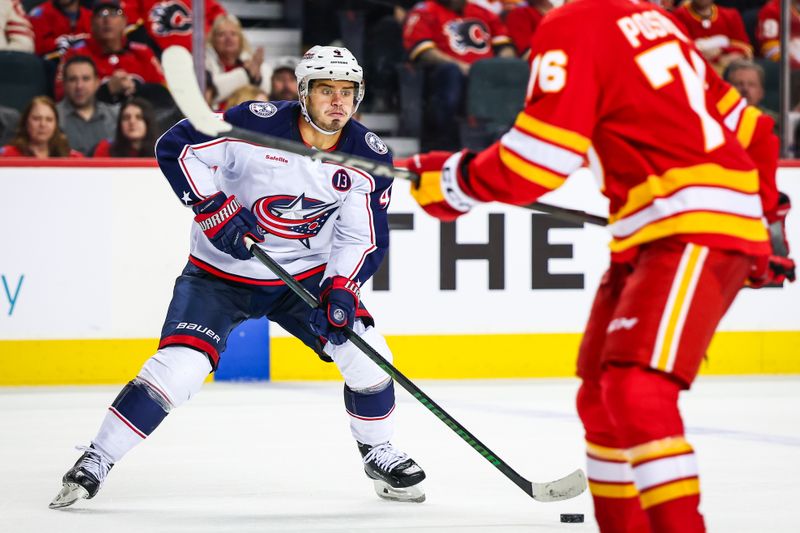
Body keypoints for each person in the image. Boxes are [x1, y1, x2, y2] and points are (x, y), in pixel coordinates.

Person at [401, 1, 794, 531]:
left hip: (689, 228)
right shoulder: (655, 19)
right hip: (657, 235)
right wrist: (770, 226)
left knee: (637, 392)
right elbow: (754, 131)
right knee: (601, 399)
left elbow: (538, 158)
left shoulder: (573, 23)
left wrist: (454, 180)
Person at [49, 45, 426, 510]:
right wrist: (211, 208)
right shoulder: (253, 123)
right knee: (178, 370)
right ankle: (97, 458)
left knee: (370, 355)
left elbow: (360, 237)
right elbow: (177, 147)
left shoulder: (367, 157)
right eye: (326, 90)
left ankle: (378, 451)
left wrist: (342, 288)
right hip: (218, 276)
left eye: (347, 92)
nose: (338, 102)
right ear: (304, 92)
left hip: (303, 280)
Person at [402, 0, 515, 150]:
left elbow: (505, 46)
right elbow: (422, 50)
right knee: (451, 73)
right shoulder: (425, 10)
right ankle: (446, 142)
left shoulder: (482, 12)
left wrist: (495, 67)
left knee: (515, 70)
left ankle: (505, 139)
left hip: (486, 77)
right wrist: (461, 66)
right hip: (444, 75)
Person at [54, 1, 167, 104]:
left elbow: (164, 94)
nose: (107, 20)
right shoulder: (75, 54)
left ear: (124, 21)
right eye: (101, 14)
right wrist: (106, 91)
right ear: (91, 23)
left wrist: (137, 88)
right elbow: (61, 97)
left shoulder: (143, 52)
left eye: (114, 13)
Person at [205, 13, 270, 109]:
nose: (228, 38)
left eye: (233, 34)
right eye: (221, 34)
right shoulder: (204, 63)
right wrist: (247, 74)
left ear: (241, 39)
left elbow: (265, 94)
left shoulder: (255, 63)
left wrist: (256, 77)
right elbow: (209, 93)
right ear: (213, 40)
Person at [57, 55, 119, 155]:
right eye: (72, 79)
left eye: (85, 79)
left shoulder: (116, 116)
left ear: (97, 82)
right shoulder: (53, 117)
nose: (79, 86)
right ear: (64, 84)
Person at [672, 0, 752, 74]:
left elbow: (745, 49)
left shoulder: (731, 15)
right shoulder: (677, 17)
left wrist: (721, 50)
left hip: (728, 72)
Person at [0, 95, 83, 158]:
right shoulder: (6, 155)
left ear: (56, 125)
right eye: (36, 119)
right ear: (26, 122)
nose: (43, 124)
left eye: (49, 119)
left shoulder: (71, 157)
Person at [92, 97, 156, 157]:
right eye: (126, 118)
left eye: (139, 117)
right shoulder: (106, 149)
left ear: (148, 123)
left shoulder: (162, 151)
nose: (132, 122)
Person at [27, 0, 92, 59]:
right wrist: (57, 43)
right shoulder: (40, 13)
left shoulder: (91, 16)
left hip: (83, 63)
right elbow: (37, 48)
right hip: (51, 64)